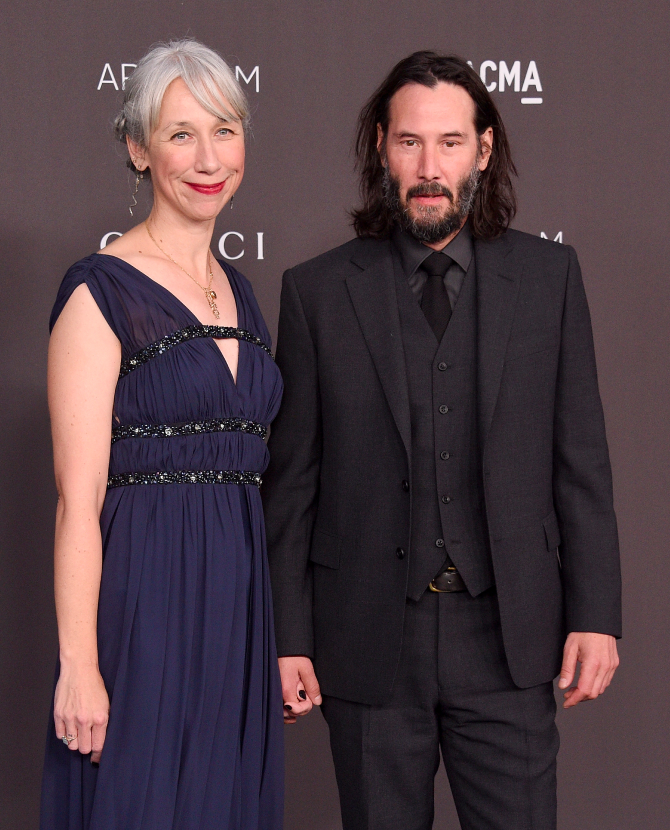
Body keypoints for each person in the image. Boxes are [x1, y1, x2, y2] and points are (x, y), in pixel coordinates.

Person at [262, 51, 621, 830]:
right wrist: (288, 637)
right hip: (366, 640)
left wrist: (596, 614)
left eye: (451, 142)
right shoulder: (315, 292)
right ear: (381, 149)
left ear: (483, 150)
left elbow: (582, 464)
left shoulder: (551, 278)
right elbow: (292, 486)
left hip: (509, 639)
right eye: (410, 142)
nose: (430, 168)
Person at [40, 39, 283, 830]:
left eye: (224, 130)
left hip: (238, 610)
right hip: (144, 604)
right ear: (139, 149)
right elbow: (78, 503)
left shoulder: (240, 293)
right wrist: (80, 666)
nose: (209, 159)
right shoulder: (99, 291)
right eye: (181, 134)